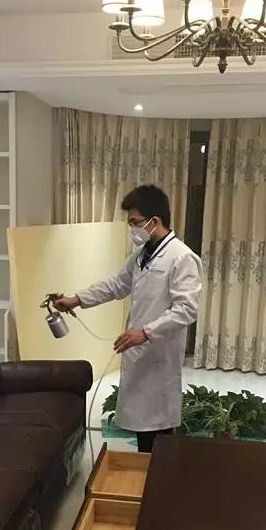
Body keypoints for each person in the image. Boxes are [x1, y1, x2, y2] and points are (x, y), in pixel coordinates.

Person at [55, 184, 203, 453]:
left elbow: (186, 309)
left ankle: (157, 474)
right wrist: (77, 299)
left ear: (154, 221)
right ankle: (145, 469)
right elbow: (116, 285)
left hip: (159, 355)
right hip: (138, 352)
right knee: (142, 427)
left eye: (135, 222)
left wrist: (145, 332)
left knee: (158, 431)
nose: (131, 229)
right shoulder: (141, 255)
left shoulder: (181, 257)